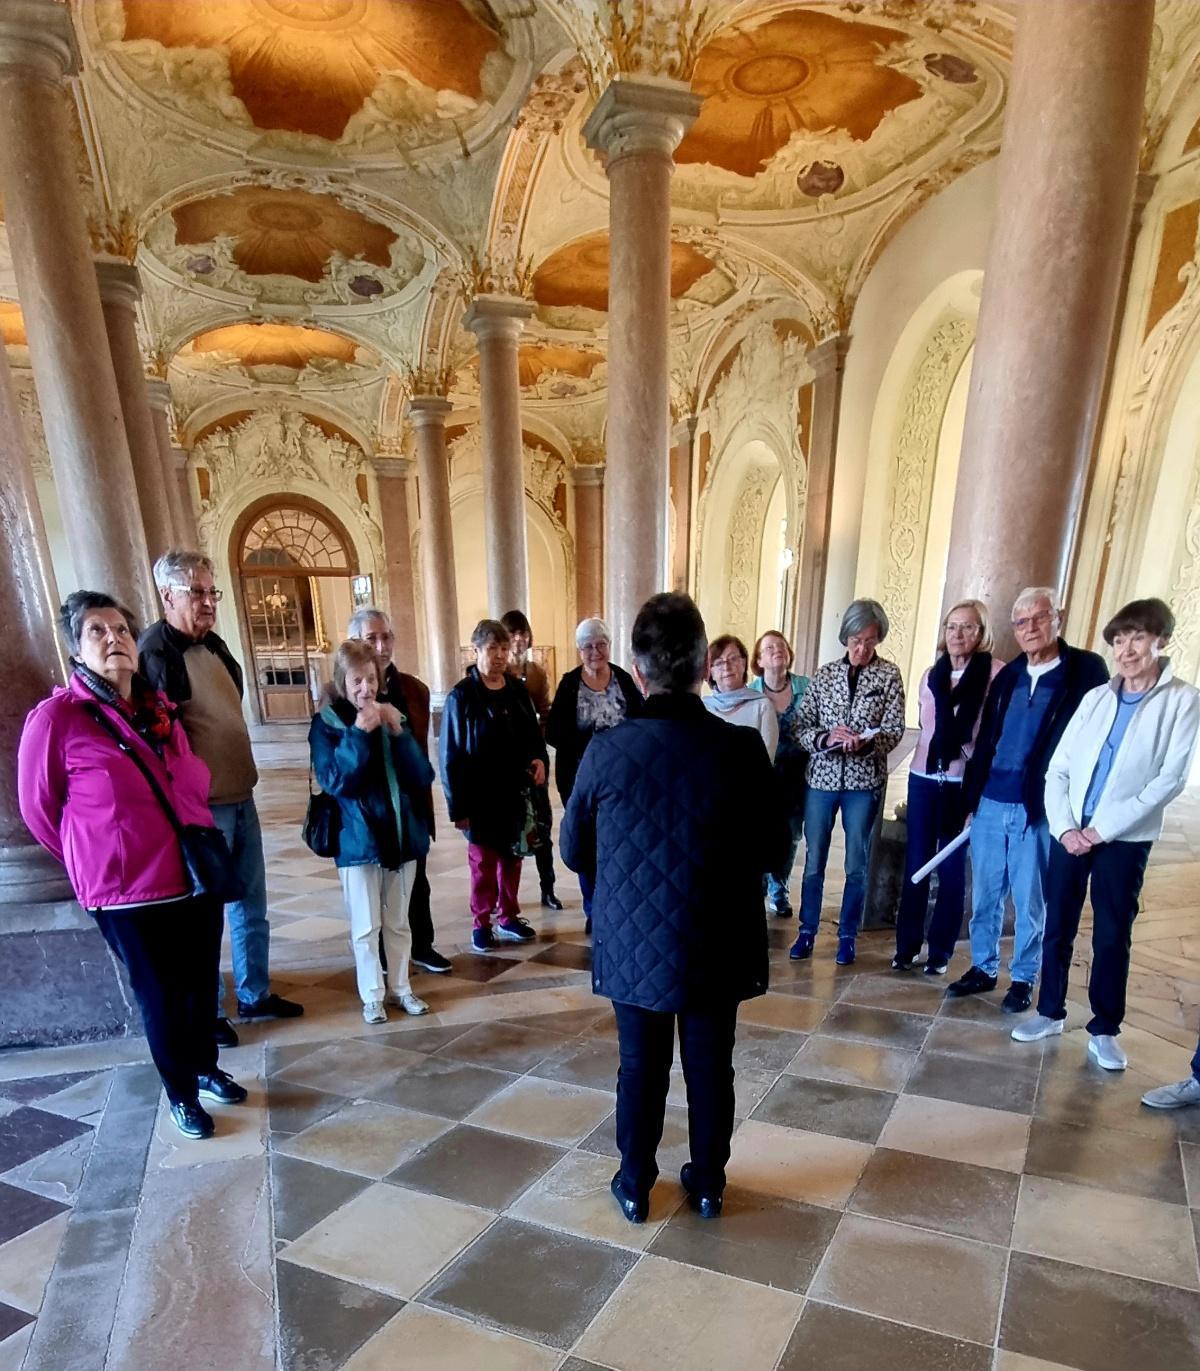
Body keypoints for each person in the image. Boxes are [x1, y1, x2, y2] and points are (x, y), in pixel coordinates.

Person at [560, 593, 787, 1224]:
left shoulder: (606, 752)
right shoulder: (741, 750)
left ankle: (635, 1184)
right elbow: (775, 847)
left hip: (634, 941)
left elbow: (574, 849)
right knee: (711, 1065)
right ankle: (709, 1184)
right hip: (718, 938)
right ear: (700, 667)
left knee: (641, 1066)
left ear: (638, 671)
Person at [18, 592, 247, 1140]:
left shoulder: (159, 710)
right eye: (96, 631)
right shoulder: (58, 721)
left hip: (191, 874)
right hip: (127, 893)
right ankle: (182, 1094)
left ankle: (205, 1066)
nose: (113, 639)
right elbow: (37, 811)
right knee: (161, 995)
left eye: (121, 629)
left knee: (197, 986)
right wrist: (94, 857)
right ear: (75, 647)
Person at [1013, 598, 1200, 1068]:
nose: (1127, 649)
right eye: (1119, 640)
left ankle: (1104, 1027)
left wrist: (1101, 830)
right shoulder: (1096, 697)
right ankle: (1049, 1009)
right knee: (1057, 926)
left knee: (1113, 934)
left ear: (1160, 640)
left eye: (1137, 637)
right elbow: (1059, 768)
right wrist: (1065, 827)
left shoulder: (1182, 700)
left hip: (1124, 838)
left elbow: (1169, 780)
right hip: (1072, 832)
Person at [139, 550, 302, 1047]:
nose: (209, 602)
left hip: (241, 794)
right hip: (200, 810)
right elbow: (156, 738)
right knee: (202, 915)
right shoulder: (154, 653)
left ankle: (254, 994)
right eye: (197, 592)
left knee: (251, 903)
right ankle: (207, 1011)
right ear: (168, 595)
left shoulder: (216, 647)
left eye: (213, 592)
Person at [948, 587, 1108, 1012]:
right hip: (990, 800)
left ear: (1059, 617)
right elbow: (987, 743)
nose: (1030, 628)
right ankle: (983, 967)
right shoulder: (1010, 675)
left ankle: (1023, 976)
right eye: (1021, 622)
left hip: (1037, 806)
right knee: (984, 894)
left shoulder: (1085, 672)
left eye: (1040, 618)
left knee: (1028, 898)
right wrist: (972, 802)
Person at [309, 640, 435, 1024]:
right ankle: (371, 995)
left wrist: (398, 733)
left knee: (399, 921)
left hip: (401, 836)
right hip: (358, 841)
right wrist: (360, 734)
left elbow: (421, 776)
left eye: (371, 679)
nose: (365, 688)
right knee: (366, 926)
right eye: (356, 680)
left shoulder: (392, 715)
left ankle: (401, 988)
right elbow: (336, 782)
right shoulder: (328, 725)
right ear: (343, 683)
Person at [791, 599, 905, 966]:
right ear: (846, 637)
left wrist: (866, 742)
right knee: (815, 859)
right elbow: (801, 725)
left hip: (862, 780)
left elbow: (894, 729)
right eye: (857, 640)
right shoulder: (824, 676)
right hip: (822, 780)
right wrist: (826, 738)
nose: (862, 648)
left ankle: (847, 936)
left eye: (870, 640)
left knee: (857, 861)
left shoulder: (888, 676)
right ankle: (806, 930)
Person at [893, 601, 1004, 975]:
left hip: (963, 781)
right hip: (925, 776)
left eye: (968, 627)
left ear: (982, 632)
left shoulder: (996, 674)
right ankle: (906, 947)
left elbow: (993, 735)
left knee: (952, 866)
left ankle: (939, 951)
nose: (958, 635)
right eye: (952, 627)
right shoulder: (931, 674)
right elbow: (926, 727)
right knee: (917, 862)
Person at [347, 607, 449, 974]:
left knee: (416, 881)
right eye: (370, 638)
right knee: (374, 889)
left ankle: (422, 945)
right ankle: (379, 956)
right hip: (368, 808)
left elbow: (421, 750)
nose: (380, 645)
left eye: (386, 636)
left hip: (410, 802)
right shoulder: (344, 691)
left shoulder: (415, 690)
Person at [441, 619, 549, 952]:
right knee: (483, 865)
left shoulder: (517, 691)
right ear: (476, 650)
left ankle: (509, 916)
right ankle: (482, 921)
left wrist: (540, 760)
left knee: (513, 859)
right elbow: (450, 755)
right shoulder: (461, 697)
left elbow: (533, 737)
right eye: (492, 649)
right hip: (479, 799)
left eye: (504, 648)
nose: (500, 655)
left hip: (515, 794)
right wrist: (458, 808)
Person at [546, 617, 642, 932]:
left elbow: (643, 725)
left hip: (624, 782)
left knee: (619, 844)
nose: (595, 651)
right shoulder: (569, 684)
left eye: (601, 644)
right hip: (581, 780)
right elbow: (554, 732)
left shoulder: (625, 681)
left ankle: (616, 903)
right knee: (586, 846)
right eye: (588, 646)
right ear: (579, 650)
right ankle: (593, 908)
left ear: (609, 646)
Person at [501, 609, 561, 911]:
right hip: (506, 763)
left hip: (534, 757)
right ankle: (504, 900)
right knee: (508, 830)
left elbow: (546, 711)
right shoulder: (496, 674)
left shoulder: (536, 672)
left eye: (523, 633)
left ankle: (547, 888)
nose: (519, 639)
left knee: (542, 825)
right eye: (513, 634)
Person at [749, 631, 810, 917]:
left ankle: (779, 889)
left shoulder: (807, 687)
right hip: (762, 772)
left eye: (781, 646)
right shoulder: (751, 692)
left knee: (792, 833)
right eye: (769, 648)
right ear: (759, 659)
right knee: (759, 830)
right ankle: (757, 885)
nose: (777, 651)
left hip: (798, 772)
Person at [703, 634, 779, 761]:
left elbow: (767, 758)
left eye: (733, 659)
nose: (726, 667)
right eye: (719, 663)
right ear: (710, 672)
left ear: (744, 663)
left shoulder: (762, 706)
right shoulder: (703, 707)